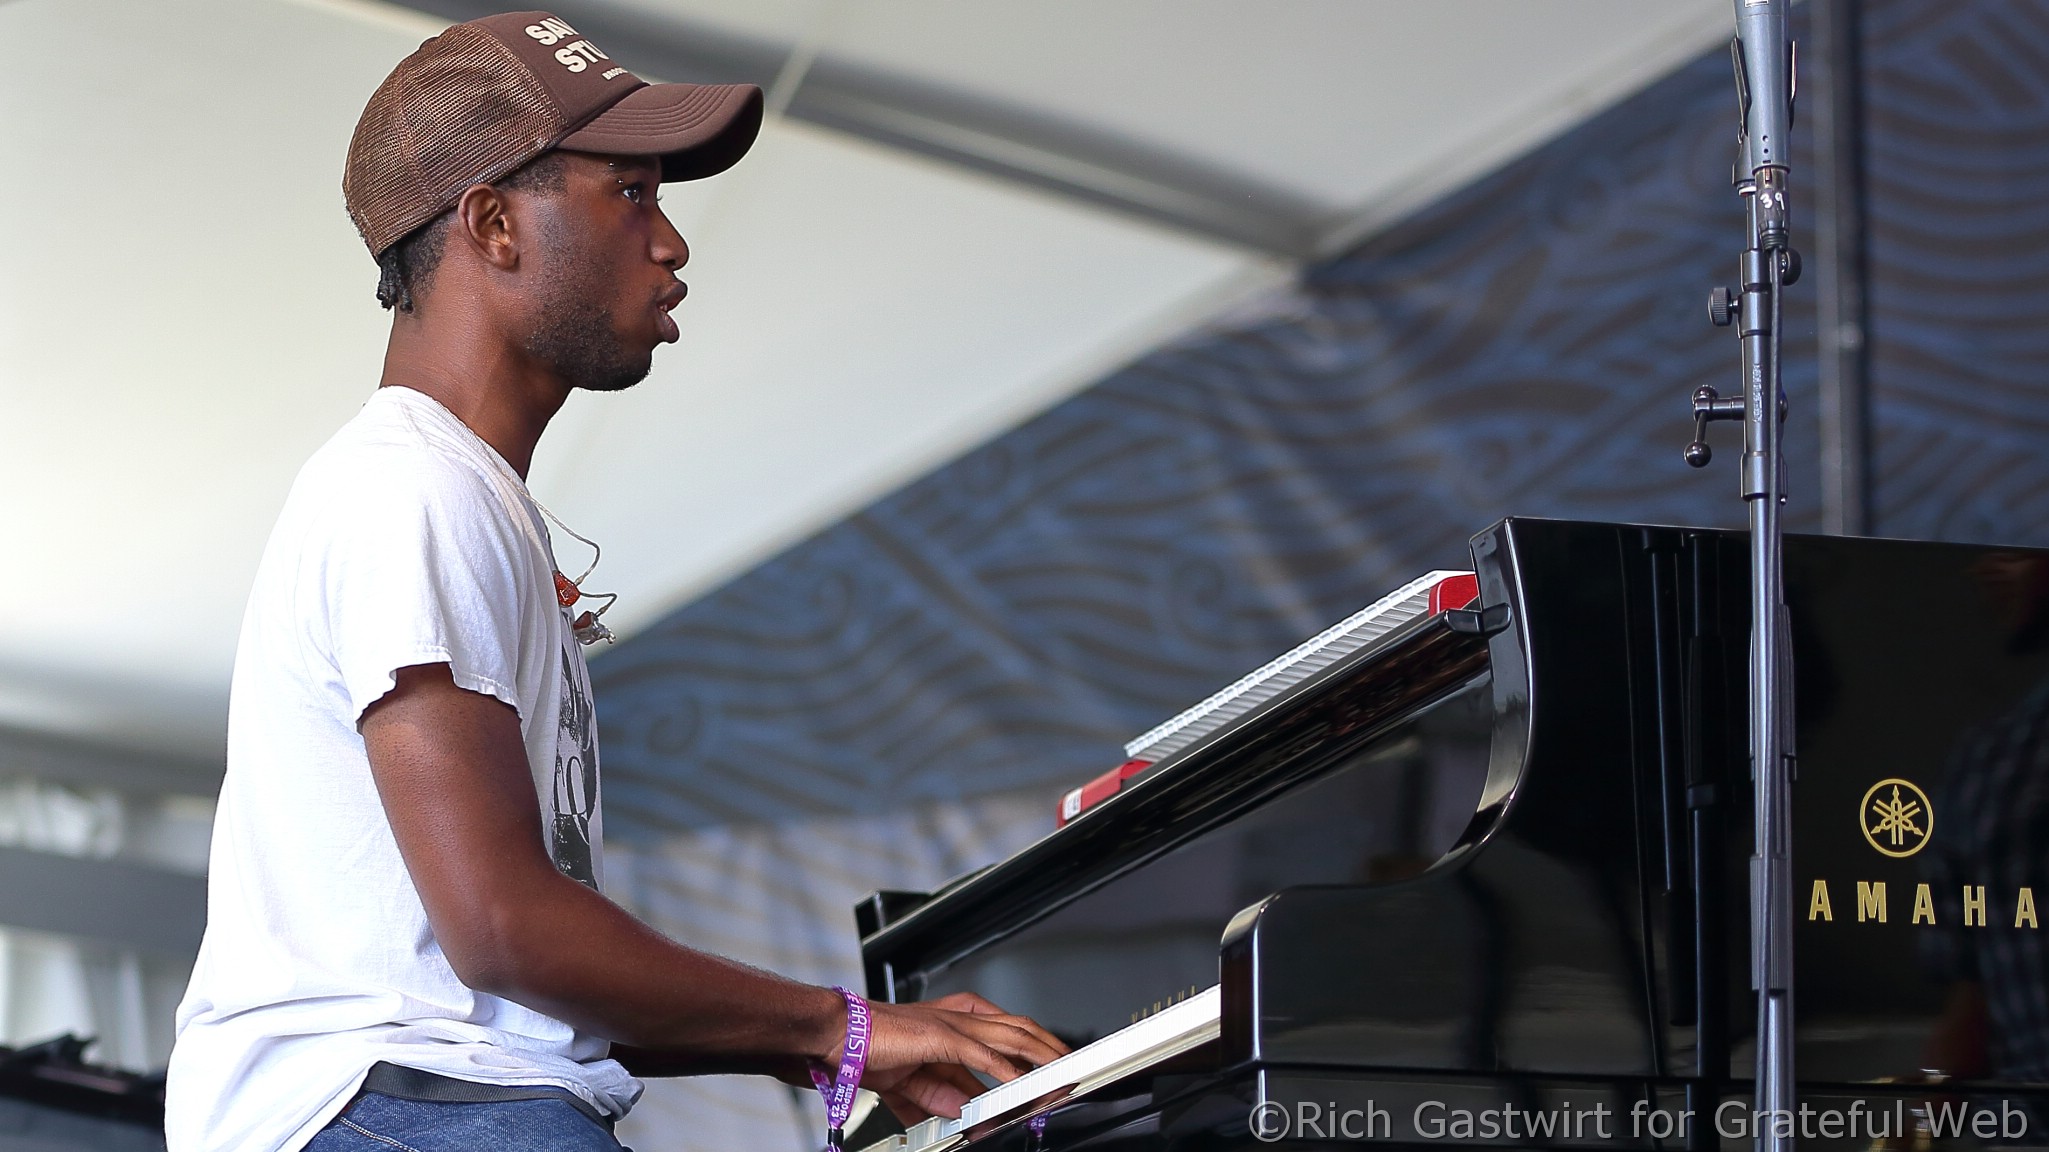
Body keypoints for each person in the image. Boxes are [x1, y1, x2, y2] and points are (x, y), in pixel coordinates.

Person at [164, 12, 1065, 1152]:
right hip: (395, 1107)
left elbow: (530, 975)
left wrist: (838, 1041)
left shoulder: (455, 495)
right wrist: (847, 1030)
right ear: (492, 224)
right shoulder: (410, 494)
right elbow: (501, 927)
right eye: (629, 194)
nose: (673, 241)